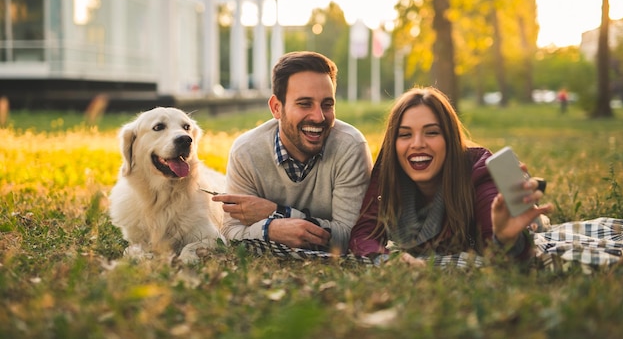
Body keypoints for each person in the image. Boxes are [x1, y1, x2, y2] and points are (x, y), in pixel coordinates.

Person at [349, 86, 553, 264]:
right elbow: (363, 234)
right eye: (405, 134)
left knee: (535, 224)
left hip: (514, 206)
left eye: (432, 132)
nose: (417, 144)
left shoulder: (479, 173)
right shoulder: (390, 170)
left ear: (450, 139)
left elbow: (500, 240)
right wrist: (386, 260)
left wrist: (506, 240)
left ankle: (538, 218)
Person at [213, 51, 373, 253]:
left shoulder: (350, 146)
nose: (319, 117)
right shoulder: (245, 152)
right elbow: (230, 233)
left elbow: (352, 237)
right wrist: (270, 230)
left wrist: (275, 213)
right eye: (304, 104)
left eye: (327, 104)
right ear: (276, 108)